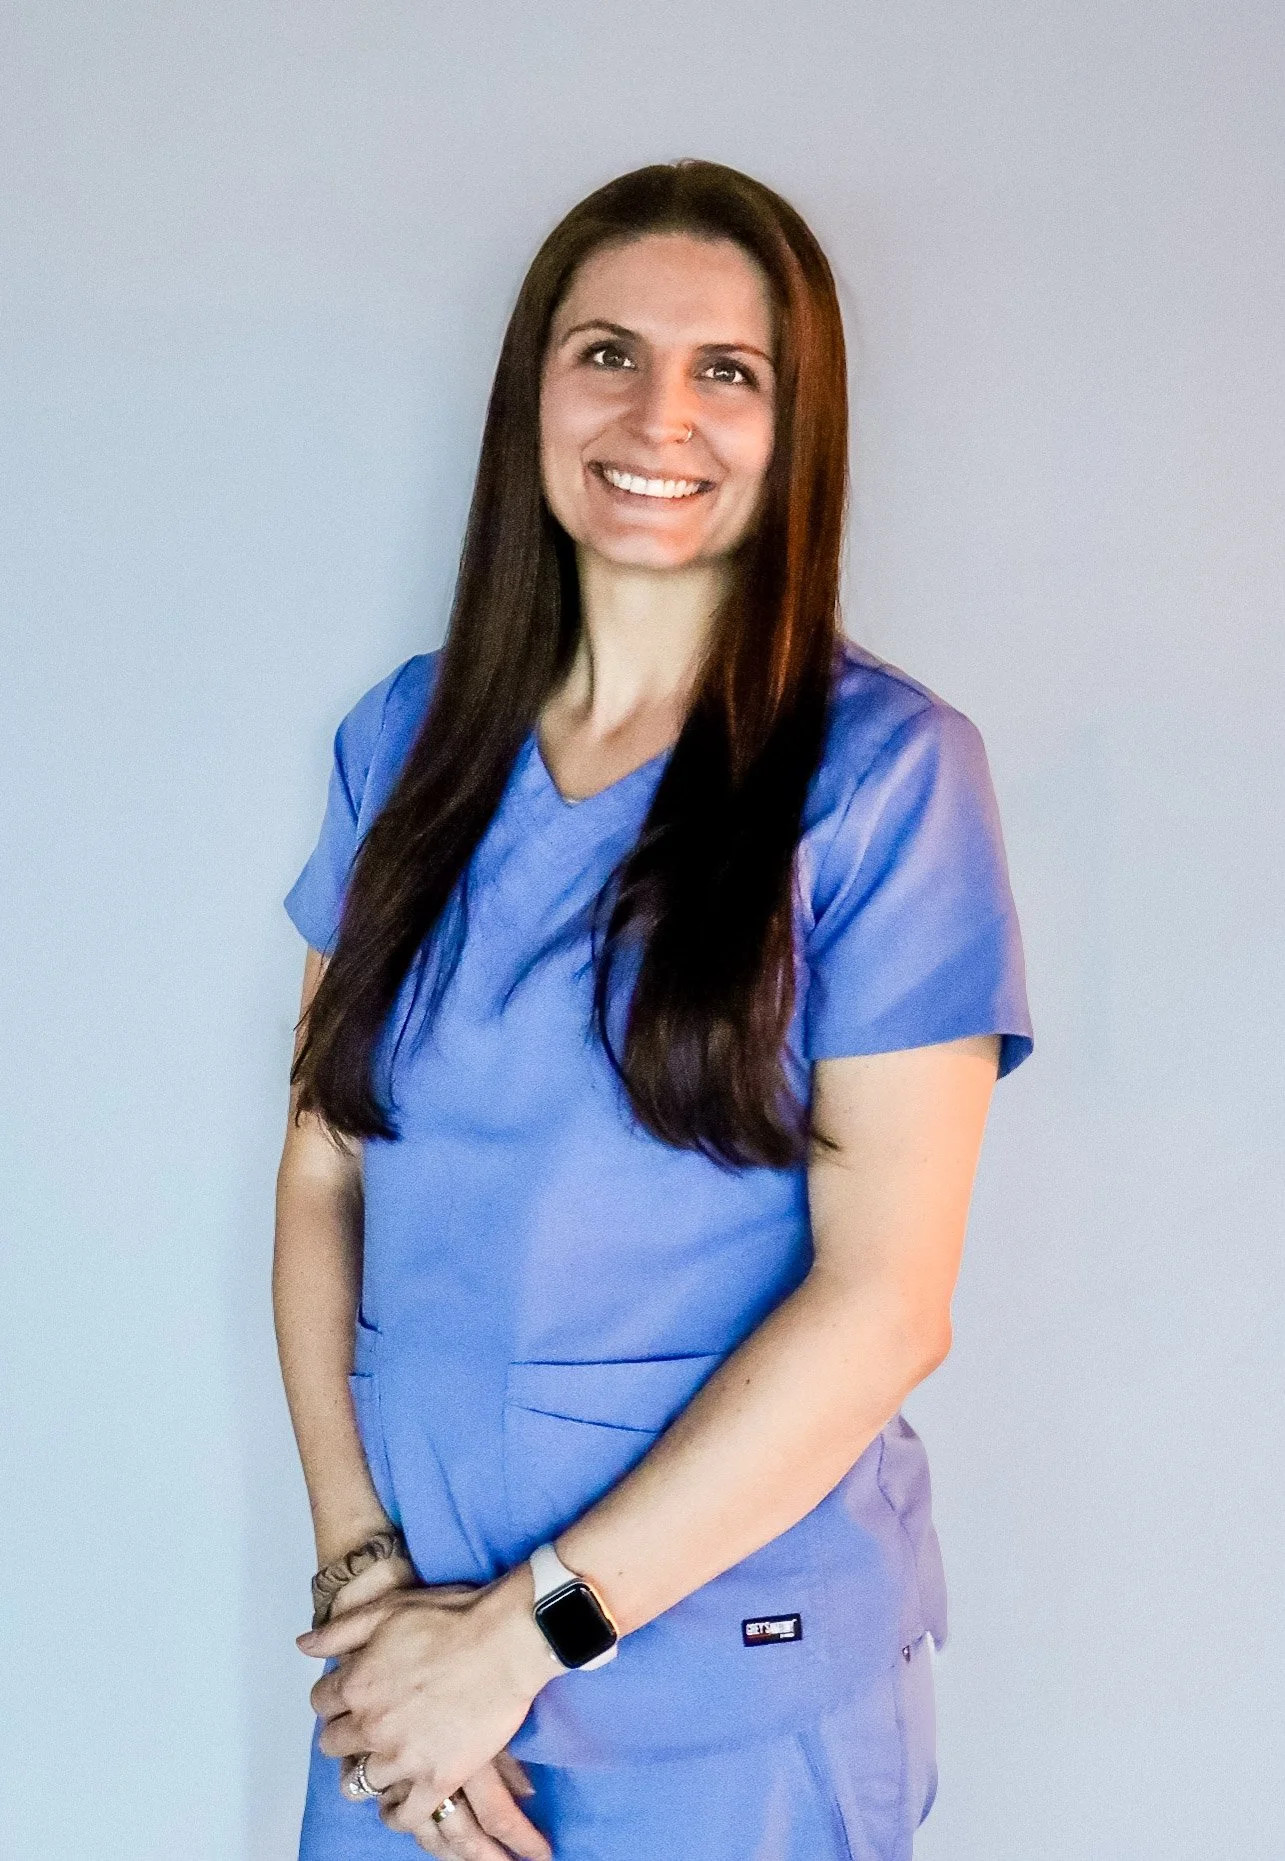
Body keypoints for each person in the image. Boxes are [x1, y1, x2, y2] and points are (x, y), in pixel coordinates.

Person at [274, 158, 1033, 1861]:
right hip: (407, 1706)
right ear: (535, 390)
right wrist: (369, 1593)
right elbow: (324, 1166)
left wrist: (517, 1638)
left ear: (795, 425)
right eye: (606, 352)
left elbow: (888, 1300)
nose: (659, 416)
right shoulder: (406, 746)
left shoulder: (890, 782)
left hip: (719, 1704)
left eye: (728, 372)